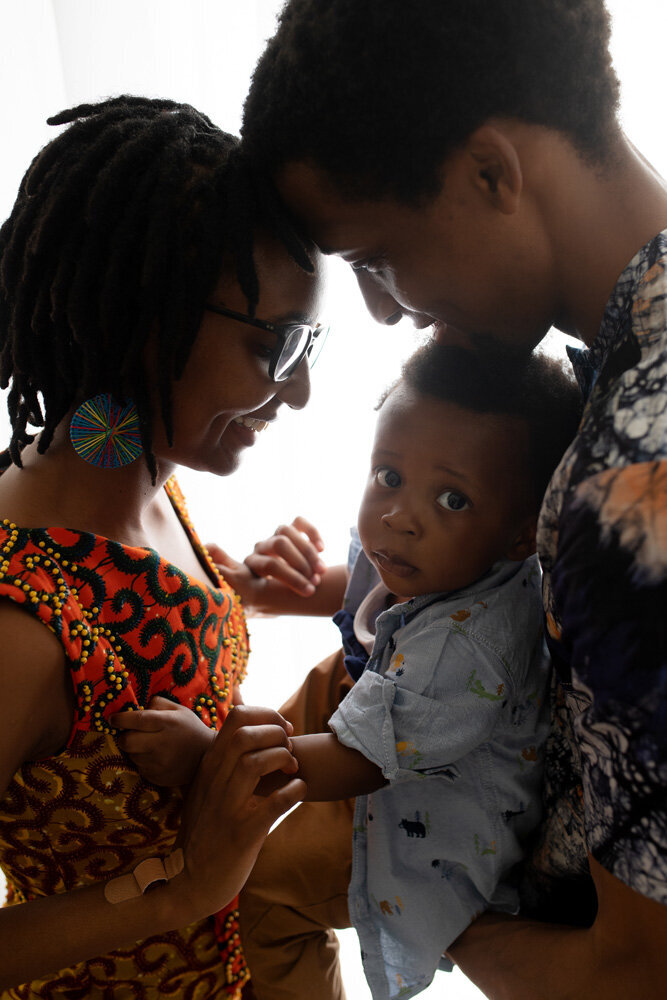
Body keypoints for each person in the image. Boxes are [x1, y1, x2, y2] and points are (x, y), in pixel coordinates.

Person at [239, 0, 667, 996]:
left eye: (377, 261)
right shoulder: (599, 385)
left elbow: (632, 975)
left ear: (489, 172)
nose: (387, 309)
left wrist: (430, 906)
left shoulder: (628, 485)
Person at [113, 341, 582, 999]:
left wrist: (206, 758)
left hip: (423, 810)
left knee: (266, 888)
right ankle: (244, 755)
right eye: (387, 476)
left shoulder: (473, 644)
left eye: (451, 499)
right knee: (299, 699)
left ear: (520, 535)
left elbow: (362, 762)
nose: (399, 516)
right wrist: (280, 590)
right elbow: (371, 582)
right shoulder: (429, 548)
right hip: (385, 700)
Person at [0, 95, 325, 997]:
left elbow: (133, 631)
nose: (297, 395)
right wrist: (171, 893)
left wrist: (236, 592)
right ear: (150, 316)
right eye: (282, 346)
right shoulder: (16, 628)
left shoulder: (137, 477)